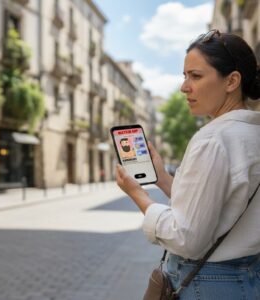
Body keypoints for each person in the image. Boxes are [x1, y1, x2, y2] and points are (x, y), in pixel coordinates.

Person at [116, 29, 260, 299]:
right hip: (248, 280)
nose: (184, 86)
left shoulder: (213, 139)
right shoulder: (253, 133)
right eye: (185, 76)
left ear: (232, 81)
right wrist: (161, 177)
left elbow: (186, 238)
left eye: (196, 76)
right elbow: (212, 205)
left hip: (205, 284)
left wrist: (139, 195)